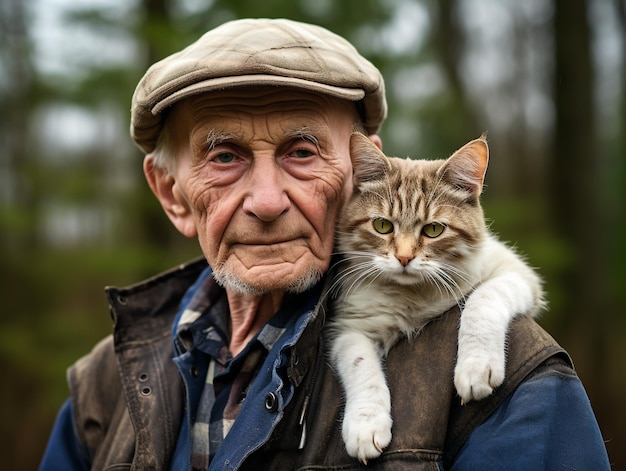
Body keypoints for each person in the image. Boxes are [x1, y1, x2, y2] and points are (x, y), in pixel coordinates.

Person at [39, 18, 610, 470]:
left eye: (302, 152)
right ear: (172, 194)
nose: (266, 200)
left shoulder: (512, 370)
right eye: (224, 156)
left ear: (359, 177)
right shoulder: (103, 388)